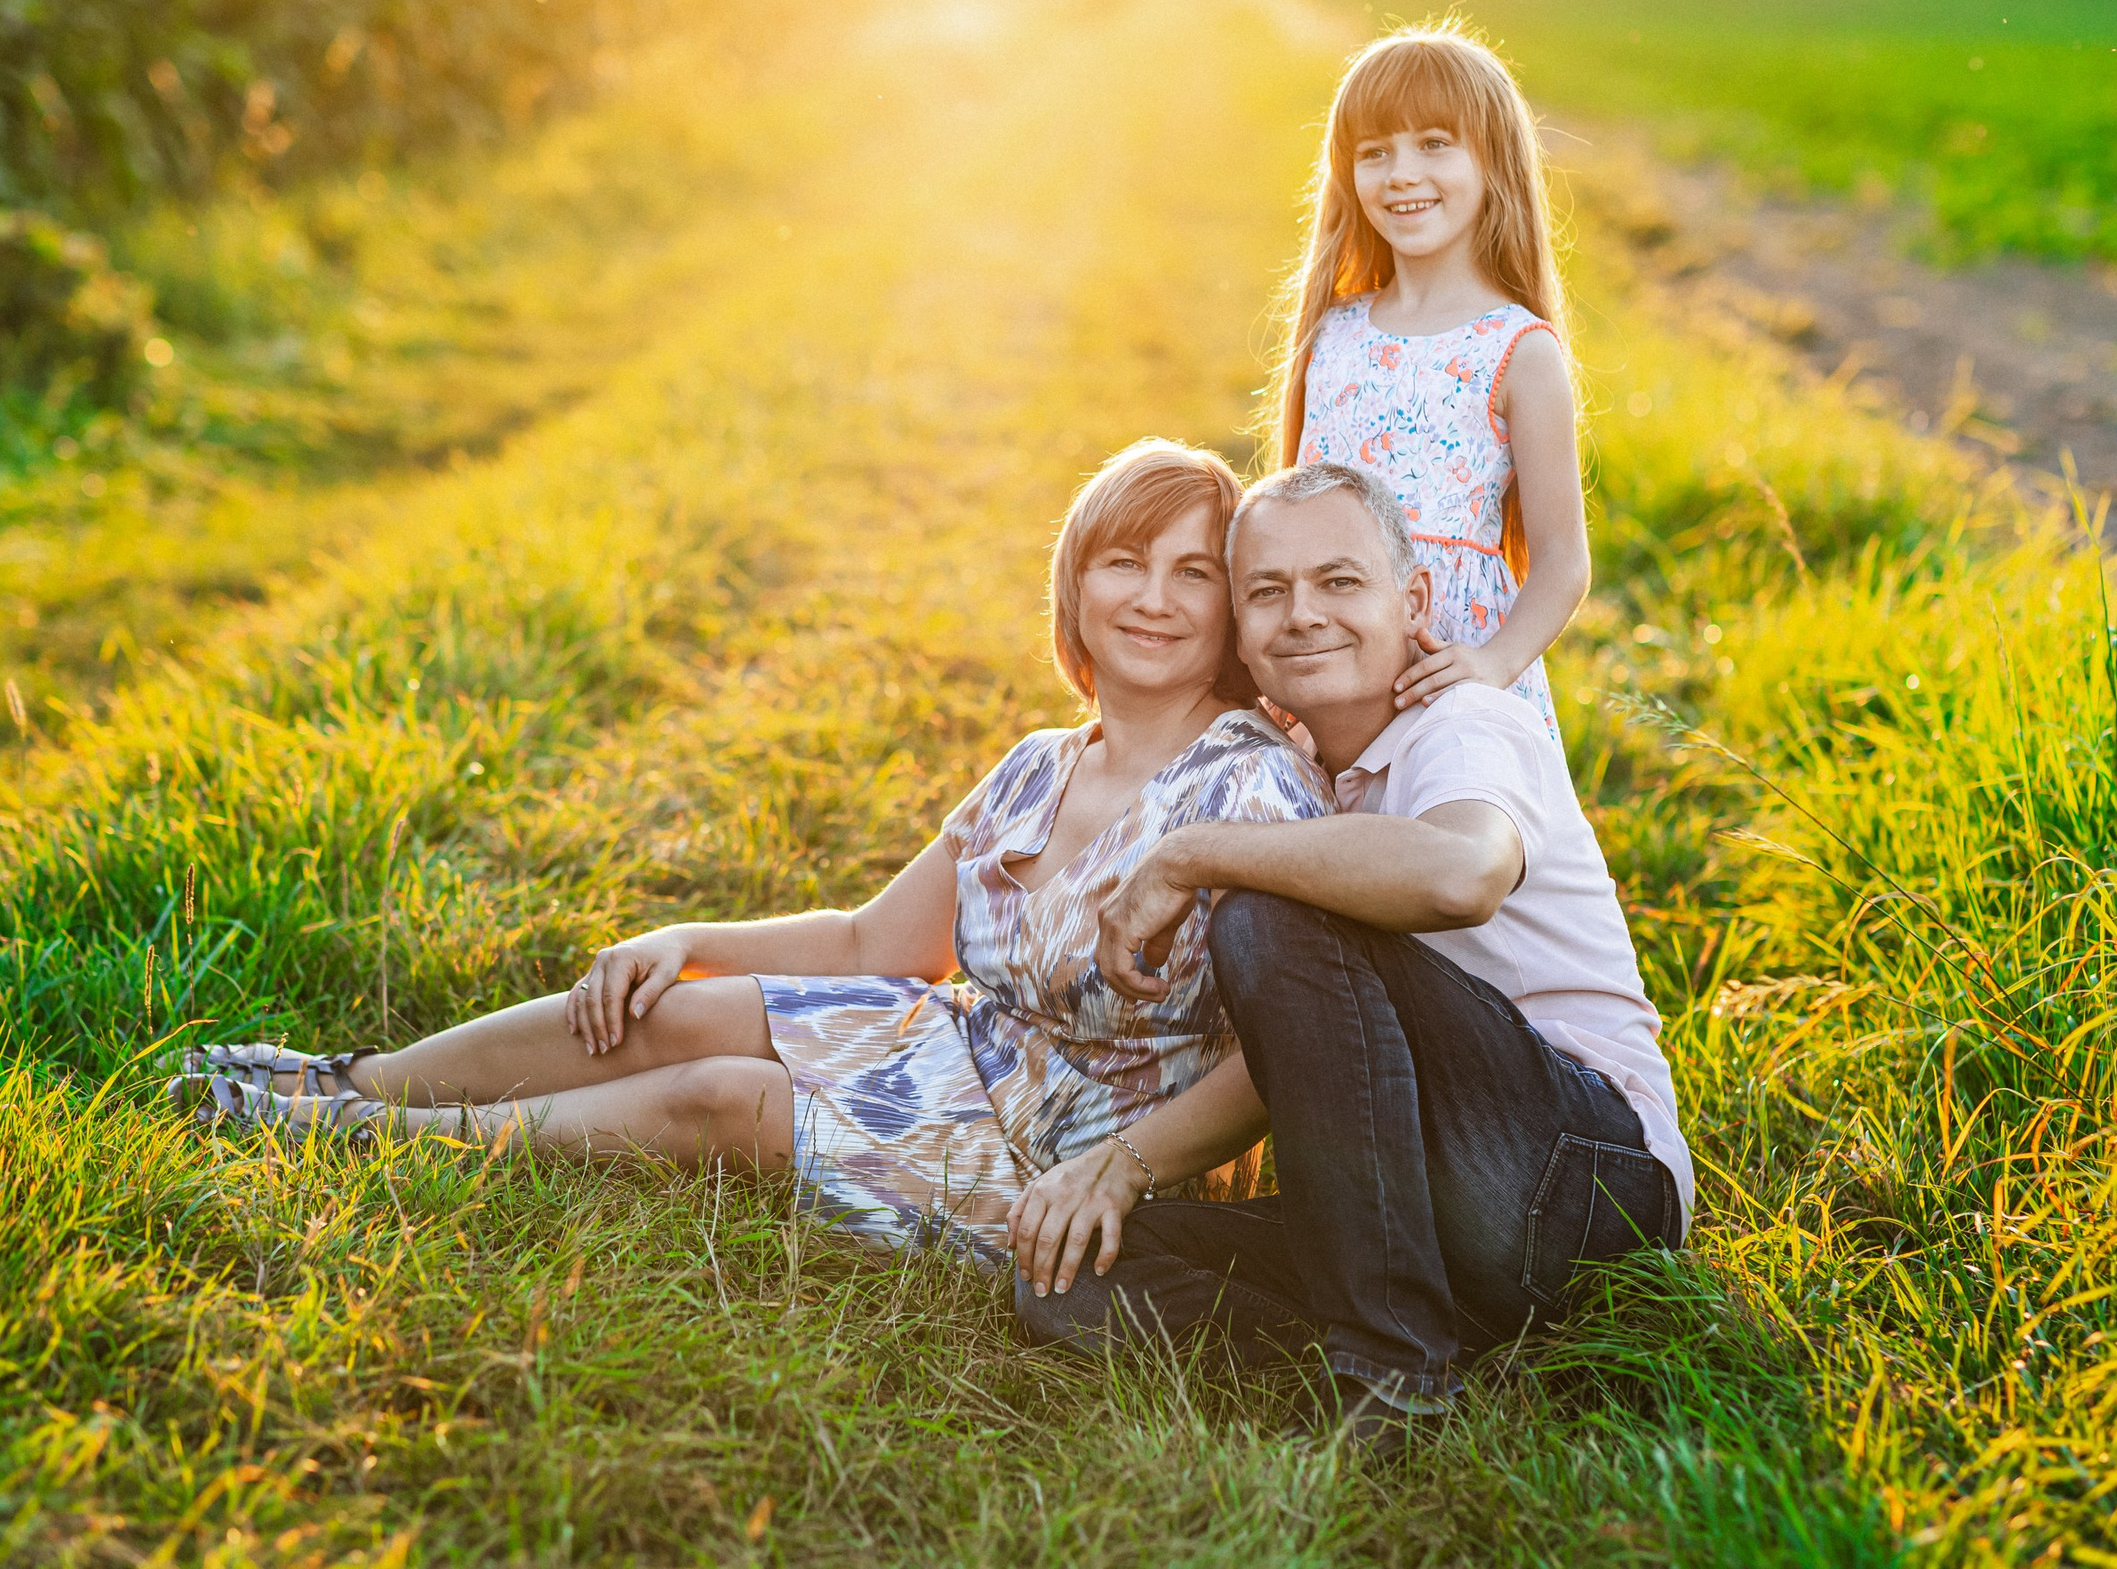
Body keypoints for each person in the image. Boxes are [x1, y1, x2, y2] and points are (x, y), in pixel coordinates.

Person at [171, 441, 1332, 1270]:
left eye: (1194, 574)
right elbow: (880, 944)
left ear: (1231, 612)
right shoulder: (1042, 760)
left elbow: (1283, 1059)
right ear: (1075, 585)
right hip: (961, 1046)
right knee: (674, 1012)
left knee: (726, 1099)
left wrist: (1125, 1167)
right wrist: (683, 943)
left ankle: (371, 1136)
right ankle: (349, 1073)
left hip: (1072, 1148)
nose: (1156, 601)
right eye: (1125, 564)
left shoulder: (1248, 787)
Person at [1013, 464, 1690, 1453]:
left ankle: (1394, 1378)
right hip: (1421, 1210)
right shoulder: (1295, 787)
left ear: (1411, 601)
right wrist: (1118, 1167)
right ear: (1241, 633)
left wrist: (1191, 854)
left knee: (1270, 914)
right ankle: (1412, 1345)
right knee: (1074, 1271)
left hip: (1584, 1182)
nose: (1302, 617)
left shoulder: (1462, 725)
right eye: (1267, 592)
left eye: (1339, 582)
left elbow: (1463, 871)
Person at [1269, 21, 1589, 736]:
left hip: (1450, 689)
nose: (1401, 173)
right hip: (1330, 675)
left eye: (1434, 144)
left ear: (1493, 161)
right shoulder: (1334, 333)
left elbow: (1563, 562)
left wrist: (1491, 663)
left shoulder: (1517, 350)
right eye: (1375, 152)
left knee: (1434, 842)